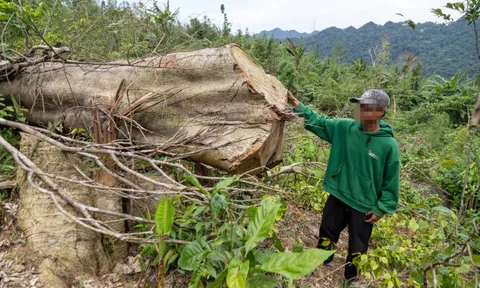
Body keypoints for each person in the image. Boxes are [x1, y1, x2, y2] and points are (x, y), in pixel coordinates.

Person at [287, 89, 400, 283]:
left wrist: (382, 208)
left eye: (368, 108)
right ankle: (322, 261)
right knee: (327, 231)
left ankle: (350, 278)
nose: (363, 111)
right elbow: (319, 122)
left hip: (364, 206)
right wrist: (298, 106)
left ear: (381, 111)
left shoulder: (389, 145)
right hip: (338, 194)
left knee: (358, 247)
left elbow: (391, 180)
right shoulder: (345, 128)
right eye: (361, 107)